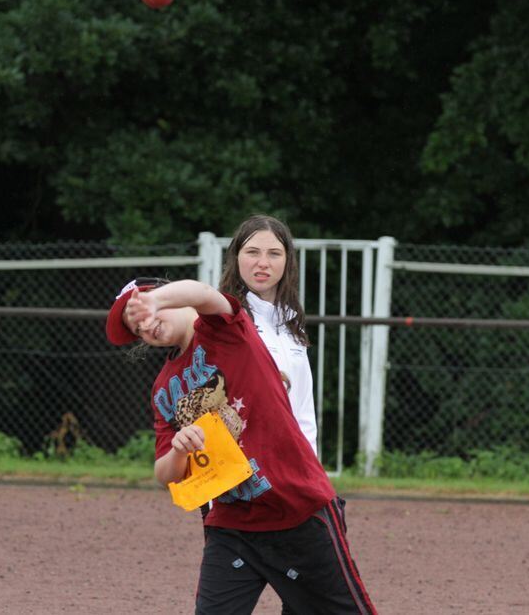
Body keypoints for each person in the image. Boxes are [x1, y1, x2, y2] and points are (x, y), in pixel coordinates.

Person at [106, 277, 376, 614]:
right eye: (136, 327)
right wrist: (178, 450)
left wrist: (154, 299)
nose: (144, 326)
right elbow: (165, 474)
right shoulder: (163, 388)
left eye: (143, 311)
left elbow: (203, 294)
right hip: (230, 524)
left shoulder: (223, 330)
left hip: (295, 509)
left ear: (168, 296)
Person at [219, 215, 318, 455]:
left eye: (274, 253)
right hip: (239, 462)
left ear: (287, 261)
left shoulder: (293, 324)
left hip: (291, 463)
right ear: (236, 258)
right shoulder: (223, 318)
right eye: (253, 252)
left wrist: (313, 468)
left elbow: (303, 408)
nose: (263, 262)